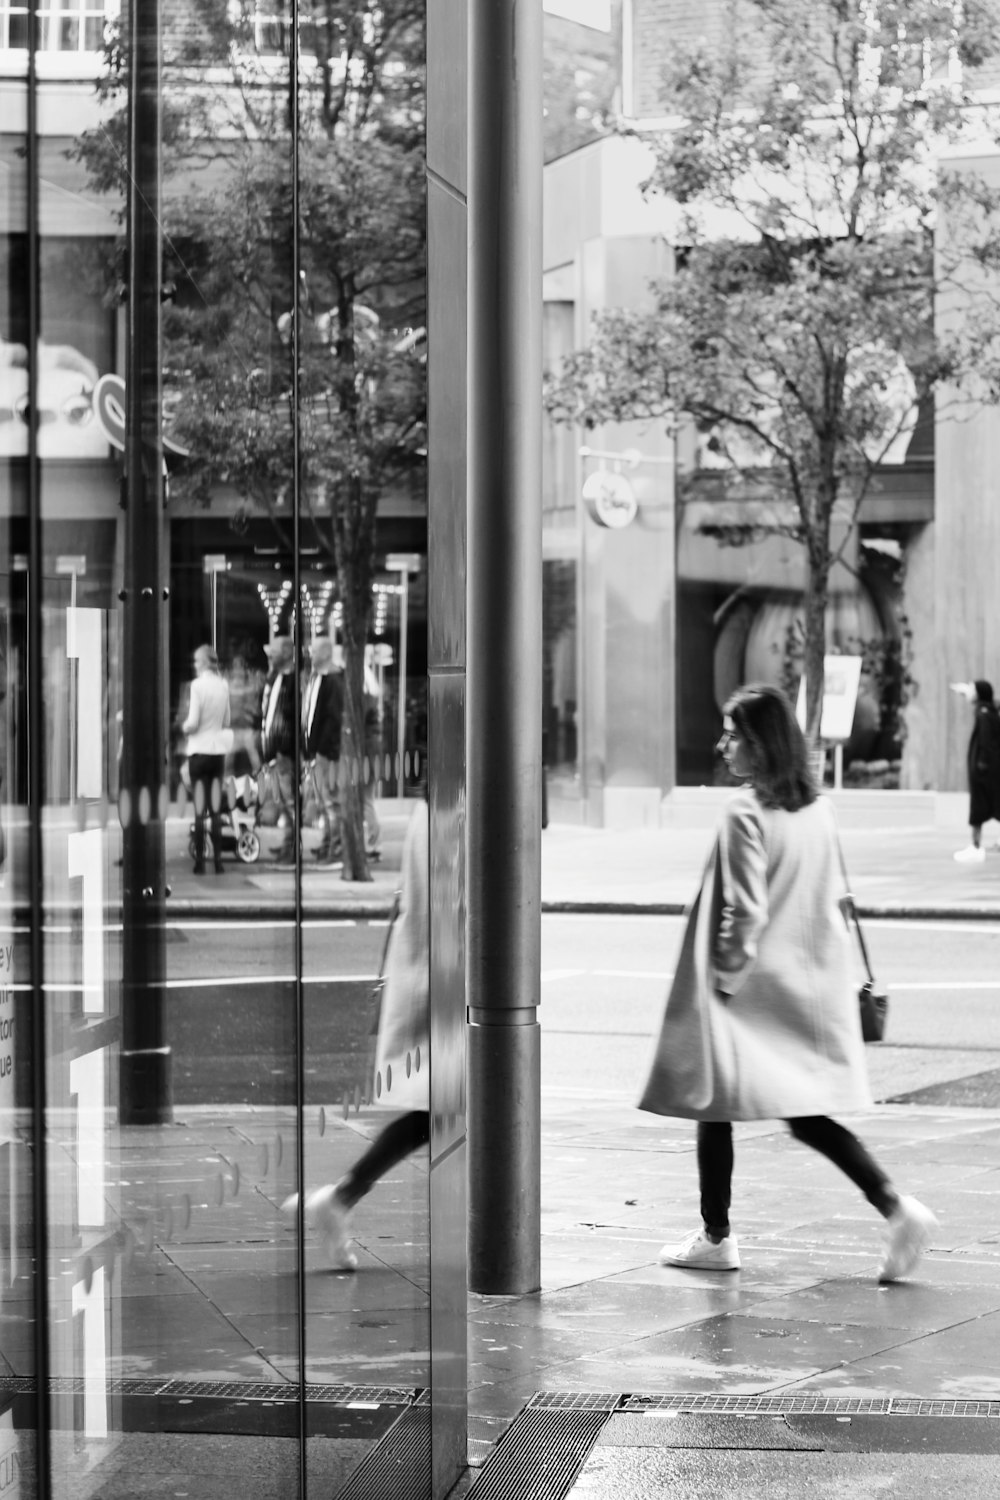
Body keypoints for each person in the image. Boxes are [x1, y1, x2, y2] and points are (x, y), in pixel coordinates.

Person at [639, 684, 937, 1283]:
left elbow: (743, 913)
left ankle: (718, 1235)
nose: (723, 745)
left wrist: (720, 982)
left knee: (713, 1100)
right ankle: (895, 1207)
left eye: (733, 735)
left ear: (760, 743)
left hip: (750, 991)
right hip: (807, 986)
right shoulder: (818, 809)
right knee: (797, 1114)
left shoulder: (743, 813)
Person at [282, 799, 429, 1269]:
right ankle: (340, 1197)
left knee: (441, 1111)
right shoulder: (453, 808)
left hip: (431, 971)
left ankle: (339, 1198)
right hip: (442, 977)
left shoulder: (437, 807)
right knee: (445, 1109)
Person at [182, 644, 232, 875]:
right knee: (215, 810)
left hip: (199, 751)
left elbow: (193, 721)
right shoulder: (223, 685)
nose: (194, 665)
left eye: (196, 661)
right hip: (217, 753)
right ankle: (219, 862)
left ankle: (200, 862)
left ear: (204, 662)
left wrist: (184, 728)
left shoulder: (197, 686)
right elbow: (227, 720)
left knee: (199, 811)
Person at [302, 636, 344, 864]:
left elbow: (333, 721)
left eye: (315, 651)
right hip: (319, 751)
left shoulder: (333, 681)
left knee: (330, 801)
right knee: (324, 801)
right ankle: (329, 843)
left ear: (326, 653)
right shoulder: (320, 678)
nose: (311, 654)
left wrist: (322, 751)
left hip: (327, 753)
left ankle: (335, 848)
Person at [952, 679, 1000, 864]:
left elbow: (986, 742)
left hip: (983, 771)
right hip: (990, 770)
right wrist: (965, 690)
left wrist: (981, 764)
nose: (969, 693)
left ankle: (975, 846)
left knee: (978, 809)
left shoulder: (983, 714)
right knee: (995, 805)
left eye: (972, 690)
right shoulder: (990, 710)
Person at [260, 635, 298, 864]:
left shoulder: (291, 681)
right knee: (284, 802)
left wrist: (282, 749)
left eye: (273, 652)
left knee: (289, 802)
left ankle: (293, 848)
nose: (269, 656)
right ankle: (288, 845)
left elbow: (290, 719)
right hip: (276, 751)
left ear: (285, 653)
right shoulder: (277, 679)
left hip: (284, 753)